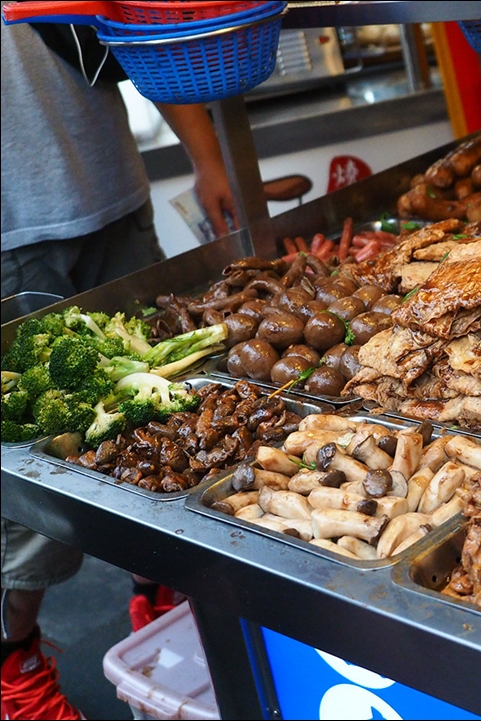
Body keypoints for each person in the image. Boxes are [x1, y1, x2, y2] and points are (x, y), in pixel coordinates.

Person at [1, 17, 236, 720]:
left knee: (165, 422)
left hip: (114, 199)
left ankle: (158, 596)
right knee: (31, 493)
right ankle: (16, 660)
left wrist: (207, 158)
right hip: (11, 239)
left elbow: (148, 29)